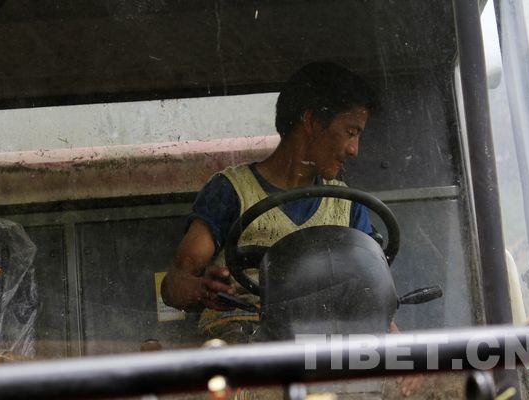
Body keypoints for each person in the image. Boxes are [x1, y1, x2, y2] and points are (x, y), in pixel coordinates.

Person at [161, 61, 377, 341]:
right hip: (241, 344)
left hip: (319, 348)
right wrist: (201, 288)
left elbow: (374, 293)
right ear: (311, 121)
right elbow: (174, 284)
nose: (354, 150)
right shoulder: (230, 191)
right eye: (351, 132)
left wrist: (402, 353)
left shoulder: (347, 204)